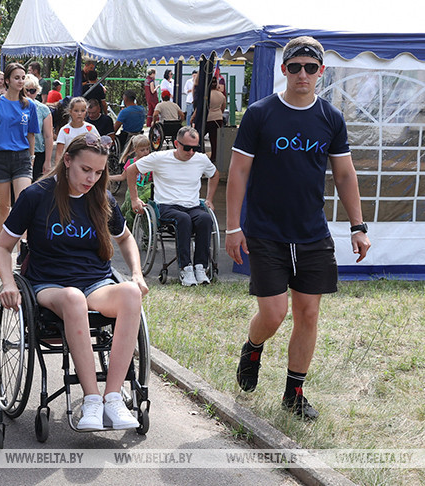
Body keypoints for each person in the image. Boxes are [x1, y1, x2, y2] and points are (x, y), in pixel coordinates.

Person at [226, 36, 371, 421]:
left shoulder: (330, 118)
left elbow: (344, 173)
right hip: (265, 231)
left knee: (308, 314)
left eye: (310, 67)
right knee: (273, 314)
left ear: (320, 71)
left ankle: (294, 392)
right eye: (295, 67)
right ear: (284, 70)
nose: (302, 74)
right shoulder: (260, 114)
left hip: (312, 233)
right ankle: (253, 347)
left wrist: (358, 226)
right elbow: (239, 171)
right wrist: (232, 227)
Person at [0, 133, 149, 431]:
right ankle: (91, 399)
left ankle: (113, 397)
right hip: (47, 284)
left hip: (95, 282)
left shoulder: (101, 199)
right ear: (67, 161)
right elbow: (2, 247)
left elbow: (126, 239)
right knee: (74, 297)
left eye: (99, 172)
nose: (92, 178)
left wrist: (137, 274)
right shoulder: (36, 195)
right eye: (85, 170)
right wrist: (8, 283)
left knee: (130, 293)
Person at [129, 127, 218, 286]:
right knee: (183, 219)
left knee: (205, 218)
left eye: (195, 148)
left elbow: (214, 174)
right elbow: (131, 170)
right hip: (167, 205)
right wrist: (134, 199)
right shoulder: (159, 158)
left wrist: (210, 198)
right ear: (176, 144)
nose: (191, 152)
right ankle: (185, 268)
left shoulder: (201, 159)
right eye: (187, 148)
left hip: (192, 205)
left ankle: (200, 267)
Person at [0, 63, 40, 233]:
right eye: (16, 78)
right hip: (0, 158)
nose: (20, 81)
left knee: (23, 203)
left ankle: (23, 248)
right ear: (7, 80)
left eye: (22, 78)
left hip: (22, 158)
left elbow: (31, 135)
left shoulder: (29, 105)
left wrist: (32, 157)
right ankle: (4, 246)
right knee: (4, 207)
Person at [24, 74, 55, 180]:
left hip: (38, 153)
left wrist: (47, 161)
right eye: (25, 90)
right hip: (19, 152)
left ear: (37, 91)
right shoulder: (14, 107)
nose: (28, 93)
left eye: (32, 91)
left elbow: (48, 136)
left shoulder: (43, 109)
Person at [54, 97, 96, 167]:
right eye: (76, 111)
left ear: (86, 111)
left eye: (82, 111)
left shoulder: (91, 129)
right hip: (69, 165)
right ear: (70, 111)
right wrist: (57, 170)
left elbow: (97, 148)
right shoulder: (64, 130)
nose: (79, 113)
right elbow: (59, 153)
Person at [205, 78, 227, 165]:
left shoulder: (207, 95)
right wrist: (219, 113)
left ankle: (201, 153)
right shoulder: (221, 95)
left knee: (200, 135)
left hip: (208, 117)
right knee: (214, 139)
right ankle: (214, 156)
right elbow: (223, 107)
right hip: (218, 118)